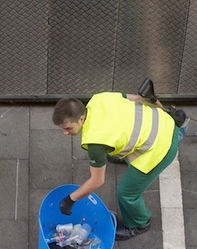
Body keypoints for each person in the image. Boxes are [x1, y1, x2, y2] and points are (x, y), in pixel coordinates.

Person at [52, 92, 186, 241]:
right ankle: (125, 156)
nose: (65, 133)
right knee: (120, 146)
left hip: (163, 148)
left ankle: (139, 223)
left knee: (126, 192)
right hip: (165, 121)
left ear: (81, 119)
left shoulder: (95, 143)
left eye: (68, 128)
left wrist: (70, 199)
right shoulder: (98, 99)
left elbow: (97, 181)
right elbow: (138, 98)